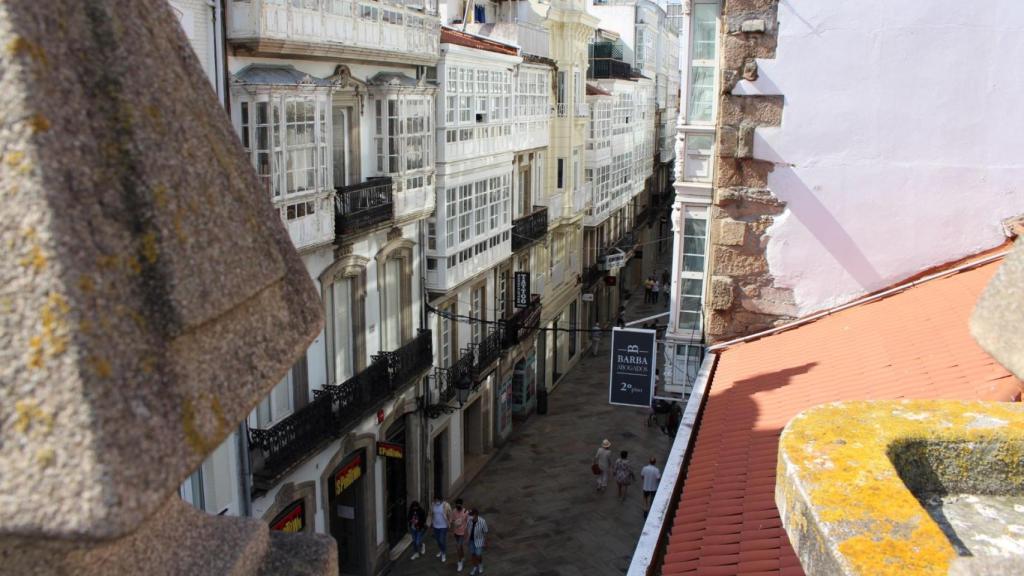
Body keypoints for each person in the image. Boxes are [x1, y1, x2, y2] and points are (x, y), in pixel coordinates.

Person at [430, 494, 452, 563]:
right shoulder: (433, 505)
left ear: (440, 499)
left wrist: (450, 522)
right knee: (438, 540)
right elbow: (430, 514)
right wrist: (429, 523)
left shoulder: (446, 505)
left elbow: (450, 514)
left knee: (441, 540)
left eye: (437, 499)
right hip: (435, 525)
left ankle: (443, 553)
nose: (436, 501)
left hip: (443, 526)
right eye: (435, 499)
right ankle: (441, 550)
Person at [451, 498, 470, 572]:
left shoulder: (466, 512)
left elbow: (468, 523)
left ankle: (460, 562)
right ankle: (462, 557)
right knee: (460, 547)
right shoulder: (454, 511)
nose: (457, 506)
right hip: (456, 533)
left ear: (462, 505)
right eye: (456, 504)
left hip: (462, 533)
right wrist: (454, 524)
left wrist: (467, 532)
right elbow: (452, 520)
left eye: (459, 504)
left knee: (458, 547)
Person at [468, 508, 489, 575]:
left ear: (476, 515)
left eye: (472, 515)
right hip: (471, 540)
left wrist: (485, 542)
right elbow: (467, 528)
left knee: (478, 555)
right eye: (470, 515)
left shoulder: (482, 521)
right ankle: (475, 567)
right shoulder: (469, 520)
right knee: (473, 555)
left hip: (479, 540)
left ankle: (480, 565)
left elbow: (485, 531)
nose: (470, 516)